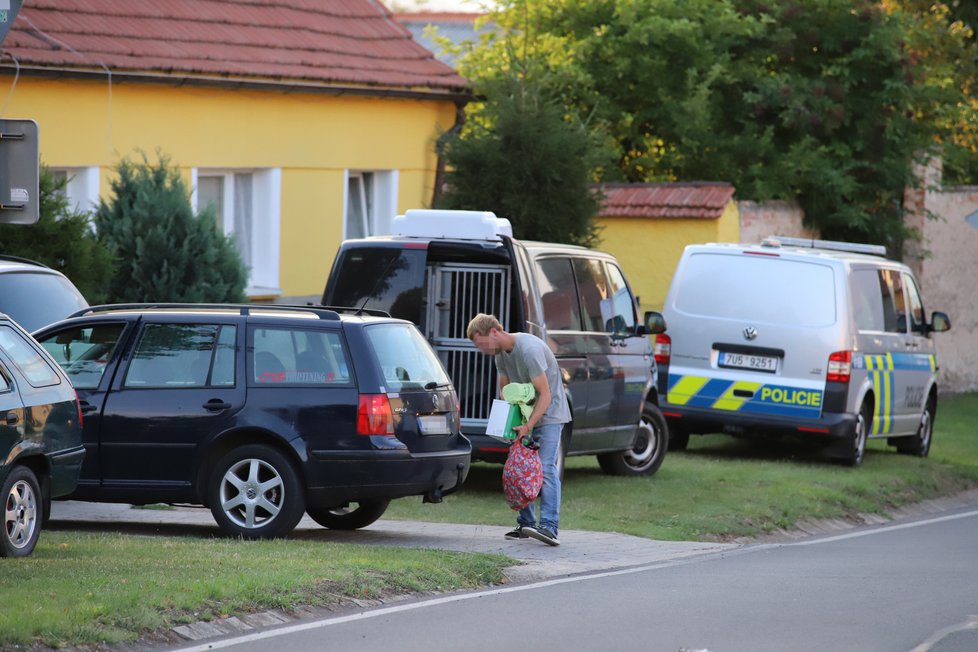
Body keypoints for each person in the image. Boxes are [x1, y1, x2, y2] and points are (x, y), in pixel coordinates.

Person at [466, 313, 571, 546]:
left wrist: (528, 425)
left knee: (544, 467)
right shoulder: (500, 354)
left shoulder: (529, 350)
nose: (480, 349)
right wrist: (508, 421)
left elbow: (546, 394)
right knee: (519, 467)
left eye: (480, 343)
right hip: (526, 415)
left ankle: (549, 527)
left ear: (494, 332)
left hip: (550, 414)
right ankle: (527, 524)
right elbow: (504, 389)